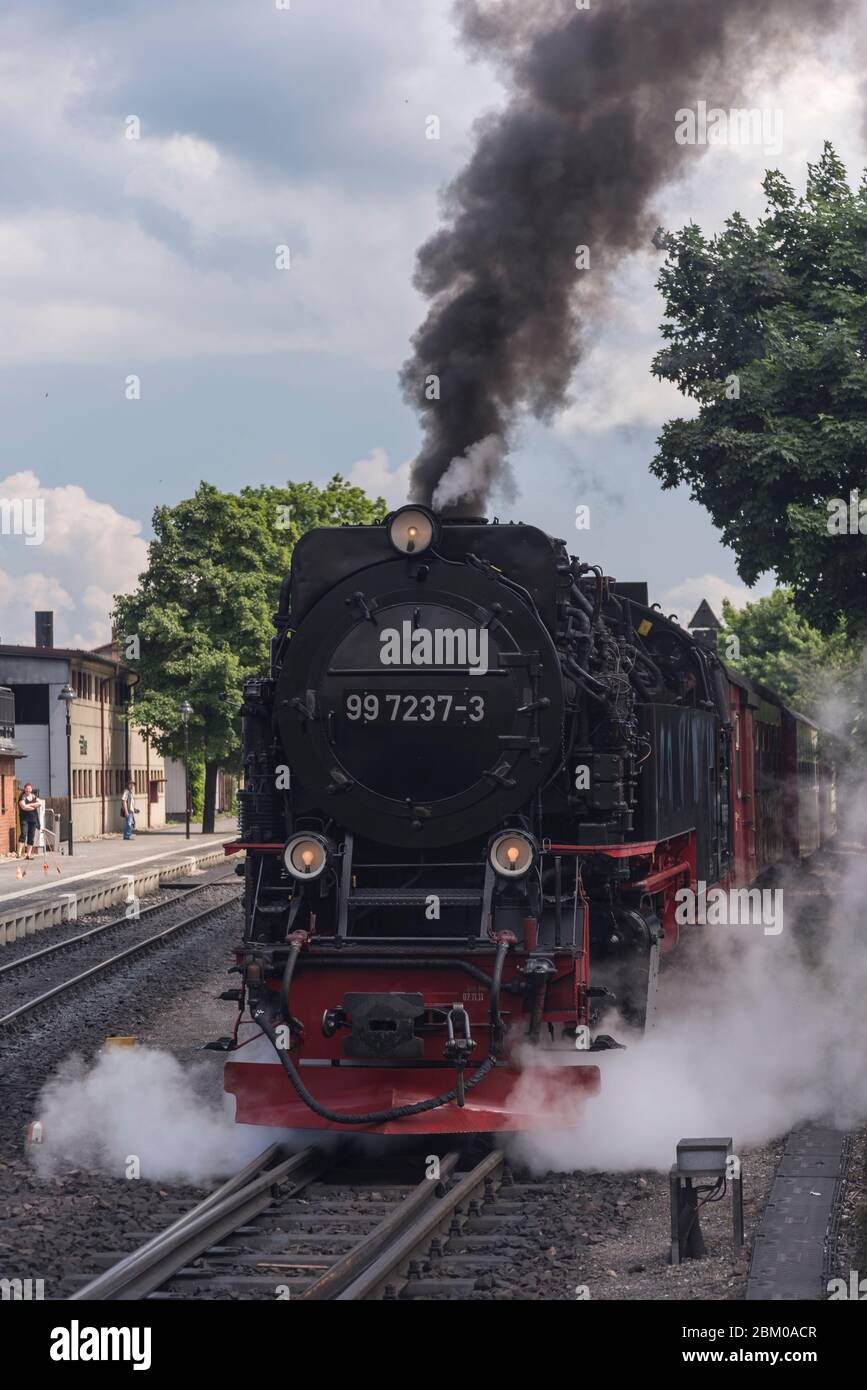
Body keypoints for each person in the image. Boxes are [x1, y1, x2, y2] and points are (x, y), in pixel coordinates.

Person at [17, 783, 41, 860]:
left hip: (33, 819)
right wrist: (33, 806)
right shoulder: (22, 797)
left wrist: (30, 805)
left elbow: (39, 803)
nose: (28, 790)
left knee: (31, 836)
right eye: (26, 788)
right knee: (24, 834)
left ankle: (28, 855)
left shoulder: (33, 796)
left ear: (31, 789)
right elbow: (23, 807)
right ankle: (19, 853)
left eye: (29, 789)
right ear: (24, 789)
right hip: (24, 819)